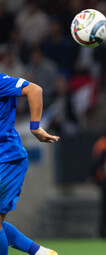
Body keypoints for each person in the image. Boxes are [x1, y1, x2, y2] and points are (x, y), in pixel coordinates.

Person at [0, 73, 60, 255]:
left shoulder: (1, 81)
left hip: (7, 158)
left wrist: (35, 126)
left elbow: (34, 89)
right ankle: (40, 252)